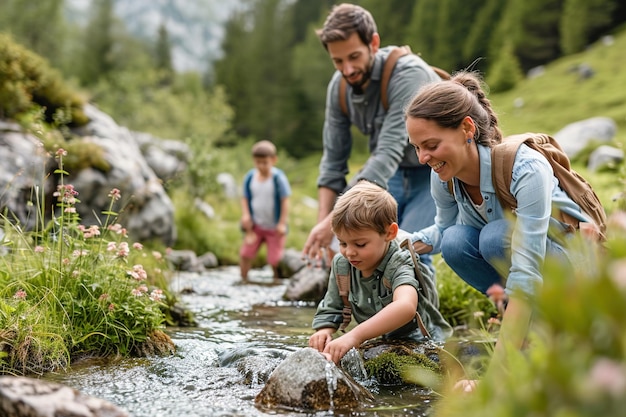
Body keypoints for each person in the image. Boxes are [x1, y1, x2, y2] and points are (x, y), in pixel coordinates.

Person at [404, 71, 596, 391]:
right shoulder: (444, 178)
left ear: (467, 128)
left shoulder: (525, 168)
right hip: (526, 269)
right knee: (455, 241)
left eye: (432, 145)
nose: (424, 158)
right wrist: (397, 243)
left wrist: (495, 378)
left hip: (573, 271)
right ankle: (530, 329)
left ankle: (544, 332)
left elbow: (525, 271)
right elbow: (443, 230)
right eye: (417, 148)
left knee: (495, 237)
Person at [302, 3, 440, 267]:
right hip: (397, 172)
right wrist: (326, 226)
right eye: (338, 61)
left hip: (436, 171)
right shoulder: (338, 88)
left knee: (407, 251)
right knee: (359, 244)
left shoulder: (409, 75)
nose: (348, 69)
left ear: (373, 43)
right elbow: (332, 164)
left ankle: (419, 308)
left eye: (354, 57)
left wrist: (333, 220)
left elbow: (386, 154)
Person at [309, 180, 452, 364]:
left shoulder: (399, 261)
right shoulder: (342, 264)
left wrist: (354, 336)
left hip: (421, 342)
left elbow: (405, 307)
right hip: (380, 341)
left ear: (390, 233)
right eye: (342, 243)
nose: (349, 252)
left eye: (360, 244)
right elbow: (332, 306)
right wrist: (324, 330)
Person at [239, 140, 291, 283]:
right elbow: (245, 197)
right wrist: (246, 215)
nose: (261, 166)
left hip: (274, 228)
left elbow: (285, 200)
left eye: (265, 162)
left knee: (274, 260)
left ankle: (276, 282)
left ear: (273, 160)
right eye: (258, 162)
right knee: (245, 254)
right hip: (255, 226)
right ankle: (243, 280)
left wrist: (281, 223)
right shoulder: (250, 177)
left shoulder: (278, 178)